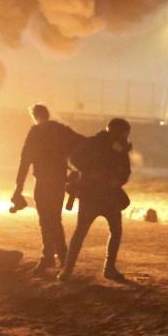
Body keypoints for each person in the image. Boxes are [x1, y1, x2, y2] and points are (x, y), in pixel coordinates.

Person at [11, 104, 83, 274]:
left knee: (45, 220)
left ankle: (50, 257)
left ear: (35, 116)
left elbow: (24, 162)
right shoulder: (61, 130)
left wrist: (18, 188)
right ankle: (60, 257)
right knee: (55, 219)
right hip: (58, 182)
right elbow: (83, 143)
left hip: (43, 182)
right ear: (48, 115)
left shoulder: (34, 133)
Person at [59, 117, 131, 282]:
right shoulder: (92, 143)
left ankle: (109, 268)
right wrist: (90, 172)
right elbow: (74, 159)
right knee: (81, 232)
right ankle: (67, 270)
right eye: (124, 133)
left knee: (115, 231)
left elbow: (126, 171)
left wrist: (118, 180)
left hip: (109, 195)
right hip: (90, 194)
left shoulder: (120, 149)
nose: (125, 137)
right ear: (115, 131)